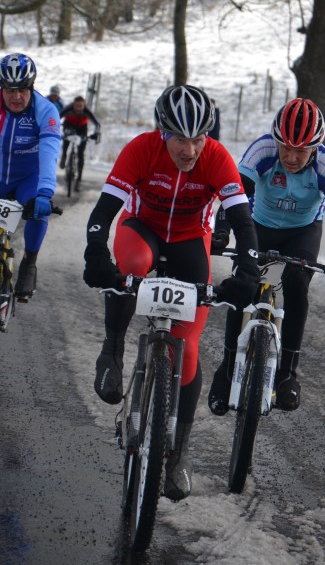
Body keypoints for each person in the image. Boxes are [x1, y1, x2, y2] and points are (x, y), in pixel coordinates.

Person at [82, 85, 259, 502]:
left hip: (189, 240)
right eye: (180, 139)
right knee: (131, 267)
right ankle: (112, 350)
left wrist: (248, 270)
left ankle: (178, 451)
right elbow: (105, 209)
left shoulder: (217, 158)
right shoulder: (141, 149)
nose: (190, 150)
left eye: (198, 138)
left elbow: (242, 220)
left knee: (188, 346)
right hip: (141, 228)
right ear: (163, 133)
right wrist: (95, 252)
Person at [208, 97, 325, 414]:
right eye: (285, 148)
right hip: (258, 225)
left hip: (302, 231)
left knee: (296, 284)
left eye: (300, 151)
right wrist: (222, 232)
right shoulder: (262, 150)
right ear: (275, 140)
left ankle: (288, 374)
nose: (290, 157)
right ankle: (227, 368)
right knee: (243, 283)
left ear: (315, 147)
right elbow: (233, 196)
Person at [0, 53, 62, 299]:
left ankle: (29, 262)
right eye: (10, 90)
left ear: (32, 86)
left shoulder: (46, 110)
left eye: (22, 90)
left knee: (38, 207)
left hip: (28, 177)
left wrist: (45, 192)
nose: (16, 97)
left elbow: (48, 154)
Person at [60, 95, 101, 190]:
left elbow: (97, 124)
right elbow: (55, 118)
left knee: (80, 153)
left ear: (84, 105)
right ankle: (64, 156)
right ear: (73, 105)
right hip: (69, 126)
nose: (78, 108)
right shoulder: (68, 108)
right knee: (66, 139)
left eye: (80, 106)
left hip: (82, 128)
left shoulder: (87, 111)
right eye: (76, 106)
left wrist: (96, 133)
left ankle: (79, 179)